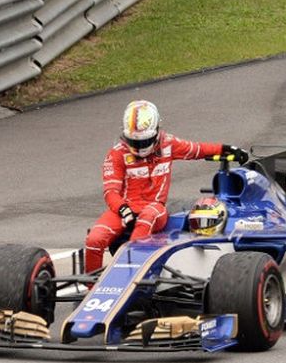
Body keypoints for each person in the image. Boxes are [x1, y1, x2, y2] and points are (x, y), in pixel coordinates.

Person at [84, 100, 248, 273]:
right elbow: (111, 192)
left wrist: (226, 149)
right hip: (123, 209)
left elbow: (197, 150)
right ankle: (90, 290)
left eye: (144, 141)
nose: (139, 147)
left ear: (155, 131)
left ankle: (129, 273)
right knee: (94, 239)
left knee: (148, 217)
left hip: (154, 208)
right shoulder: (117, 154)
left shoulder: (168, 144)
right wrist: (124, 210)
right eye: (134, 141)